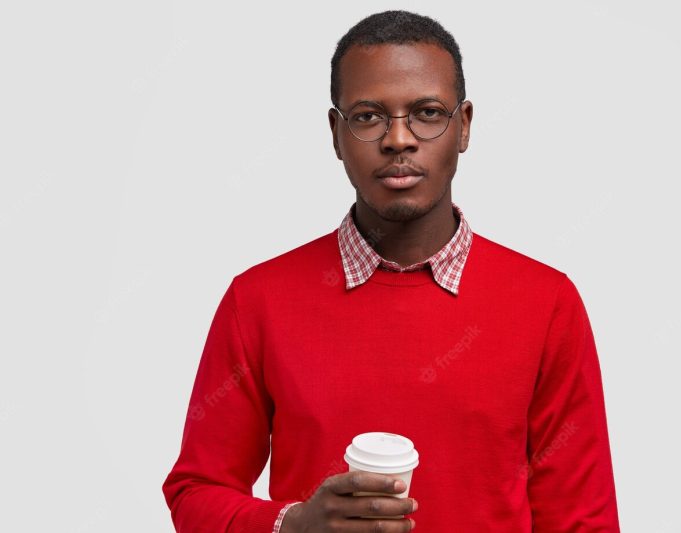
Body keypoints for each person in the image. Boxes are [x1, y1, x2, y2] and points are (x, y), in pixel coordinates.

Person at [162, 9, 620, 532]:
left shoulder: (546, 304)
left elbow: (583, 520)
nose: (398, 139)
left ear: (464, 126)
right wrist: (292, 525)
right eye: (368, 116)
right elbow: (195, 492)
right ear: (336, 134)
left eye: (427, 113)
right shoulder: (258, 300)